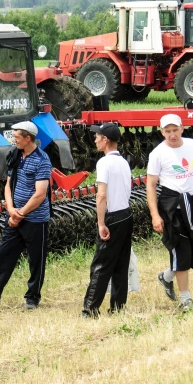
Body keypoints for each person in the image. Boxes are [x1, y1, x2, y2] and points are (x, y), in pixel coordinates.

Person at [146, 114, 193, 311]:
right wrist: (155, 214)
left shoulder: (192, 146)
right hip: (171, 208)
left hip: (192, 204)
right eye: (167, 131)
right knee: (181, 249)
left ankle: (167, 276)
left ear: (182, 128)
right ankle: (186, 299)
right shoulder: (157, 154)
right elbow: (151, 186)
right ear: (162, 132)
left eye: (175, 130)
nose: (172, 135)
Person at [0, 121, 52, 311]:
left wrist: (20, 214)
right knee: (3, 257)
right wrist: (10, 209)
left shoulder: (42, 160)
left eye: (17, 137)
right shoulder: (15, 156)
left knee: (36, 261)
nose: (14, 140)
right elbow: (8, 186)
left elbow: (40, 194)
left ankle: (32, 298)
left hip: (35, 220)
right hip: (14, 218)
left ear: (28, 138)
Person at [82, 123, 133, 318]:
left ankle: (90, 309)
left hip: (111, 216)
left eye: (97, 136)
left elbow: (101, 195)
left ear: (105, 140)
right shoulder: (124, 162)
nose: (95, 139)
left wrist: (101, 223)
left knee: (101, 265)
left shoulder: (103, 163)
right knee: (121, 264)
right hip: (126, 215)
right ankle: (118, 307)